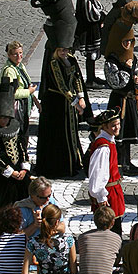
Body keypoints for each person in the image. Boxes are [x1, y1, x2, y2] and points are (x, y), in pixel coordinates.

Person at [104, 16, 138, 177]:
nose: (128, 44)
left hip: (130, 100)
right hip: (118, 101)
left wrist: (137, 81)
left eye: (130, 41)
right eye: (124, 42)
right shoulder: (112, 60)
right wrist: (130, 74)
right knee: (117, 134)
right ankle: (118, 164)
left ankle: (127, 162)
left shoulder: (133, 58)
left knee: (128, 134)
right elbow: (115, 81)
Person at [36, 42, 87, 179]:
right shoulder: (53, 63)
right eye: (61, 50)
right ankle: (61, 166)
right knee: (59, 134)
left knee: (71, 132)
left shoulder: (70, 59)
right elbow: (62, 86)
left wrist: (80, 96)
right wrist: (76, 102)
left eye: (65, 50)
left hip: (68, 103)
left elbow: (77, 78)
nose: (64, 52)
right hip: (56, 104)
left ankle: (75, 162)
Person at [0, 77, 30, 210]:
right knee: (5, 205)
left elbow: (21, 148)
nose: (3, 121)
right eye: (0, 118)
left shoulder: (15, 129)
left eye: (6, 118)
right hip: (2, 177)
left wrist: (23, 167)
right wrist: (10, 171)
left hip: (19, 174)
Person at [69, 0, 108, 87]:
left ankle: (93, 77)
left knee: (93, 56)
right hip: (88, 31)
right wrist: (102, 16)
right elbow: (92, 15)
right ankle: (90, 79)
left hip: (93, 30)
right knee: (90, 55)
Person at [87, 108, 126, 238]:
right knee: (111, 229)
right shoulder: (103, 147)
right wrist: (101, 196)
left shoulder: (109, 141)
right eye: (113, 125)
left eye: (118, 124)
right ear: (104, 127)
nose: (117, 128)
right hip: (109, 195)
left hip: (114, 191)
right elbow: (98, 173)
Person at [1, 40, 37, 147]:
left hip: (24, 105)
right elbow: (11, 92)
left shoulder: (20, 66)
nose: (19, 56)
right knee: (20, 133)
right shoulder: (9, 71)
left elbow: (27, 84)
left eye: (20, 53)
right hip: (16, 108)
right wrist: (28, 92)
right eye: (15, 54)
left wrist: (36, 102)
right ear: (9, 55)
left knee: (24, 131)